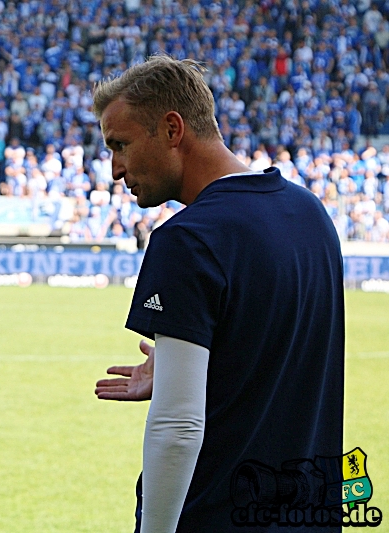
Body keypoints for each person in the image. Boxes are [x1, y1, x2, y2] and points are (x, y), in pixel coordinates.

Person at [92, 56, 343, 532]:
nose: (115, 169)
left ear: (171, 129)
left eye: (120, 145)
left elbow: (177, 427)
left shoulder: (187, 239)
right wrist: (183, 371)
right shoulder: (311, 214)